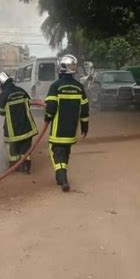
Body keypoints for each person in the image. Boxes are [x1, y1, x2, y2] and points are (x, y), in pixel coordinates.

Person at [44, 54, 89, 192]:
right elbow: (85, 109)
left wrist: (47, 117)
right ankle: (61, 178)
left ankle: (62, 178)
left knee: (56, 153)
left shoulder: (56, 86)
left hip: (58, 130)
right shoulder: (79, 87)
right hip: (71, 131)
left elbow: (51, 106)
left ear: (61, 68)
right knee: (65, 153)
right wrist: (84, 127)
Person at [0, 72, 38, 174]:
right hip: (27, 127)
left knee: (13, 151)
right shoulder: (21, 91)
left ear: (2, 84)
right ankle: (26, 168)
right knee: (25, 150)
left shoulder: (3, 94)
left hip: (12, 130)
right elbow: (29, 103)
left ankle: (15, 167)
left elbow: (0, 111)